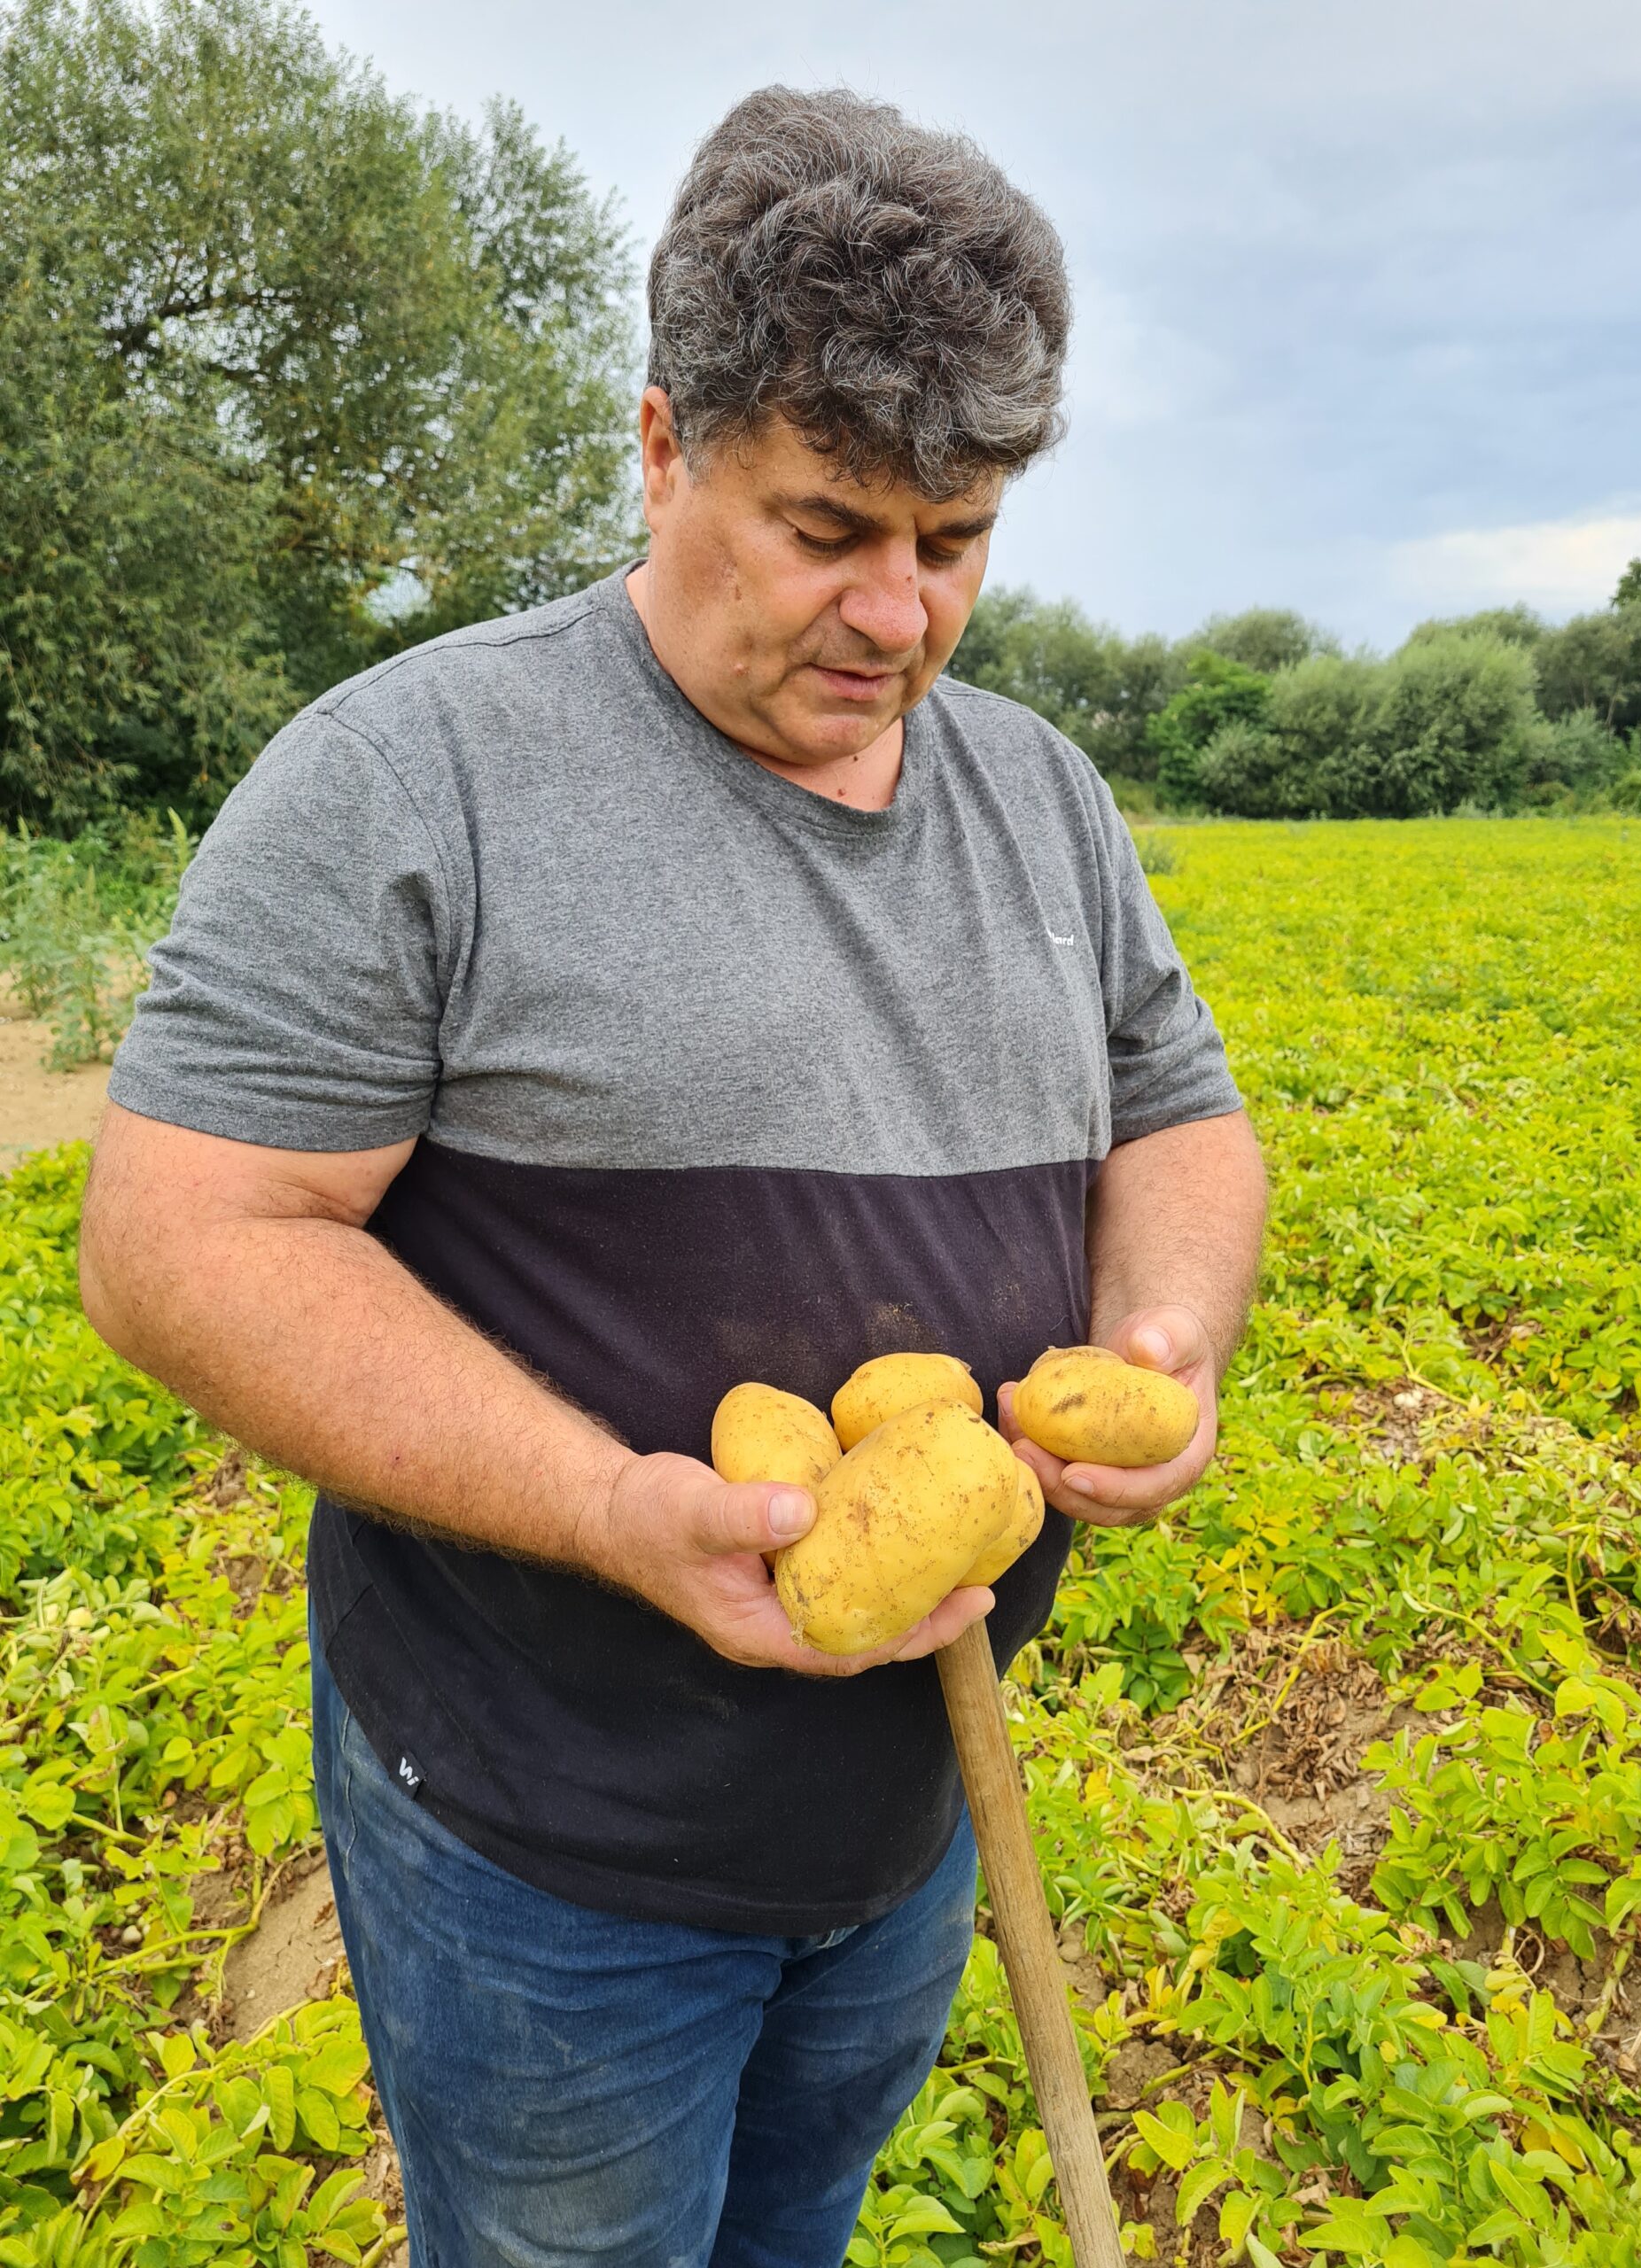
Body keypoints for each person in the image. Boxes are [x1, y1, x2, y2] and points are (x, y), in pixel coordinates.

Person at [79, 83, 1267, 2268]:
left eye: (955, 538)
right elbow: (179, 1243)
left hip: (917, 1799)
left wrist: (1163, 1336)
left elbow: (1179, 1109)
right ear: (660, 445)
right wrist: (612, 1508)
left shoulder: (1042, 797)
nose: (898, 612)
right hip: (553, 1858)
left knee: (799, 2224)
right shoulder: (411, 779)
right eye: (828, 525)